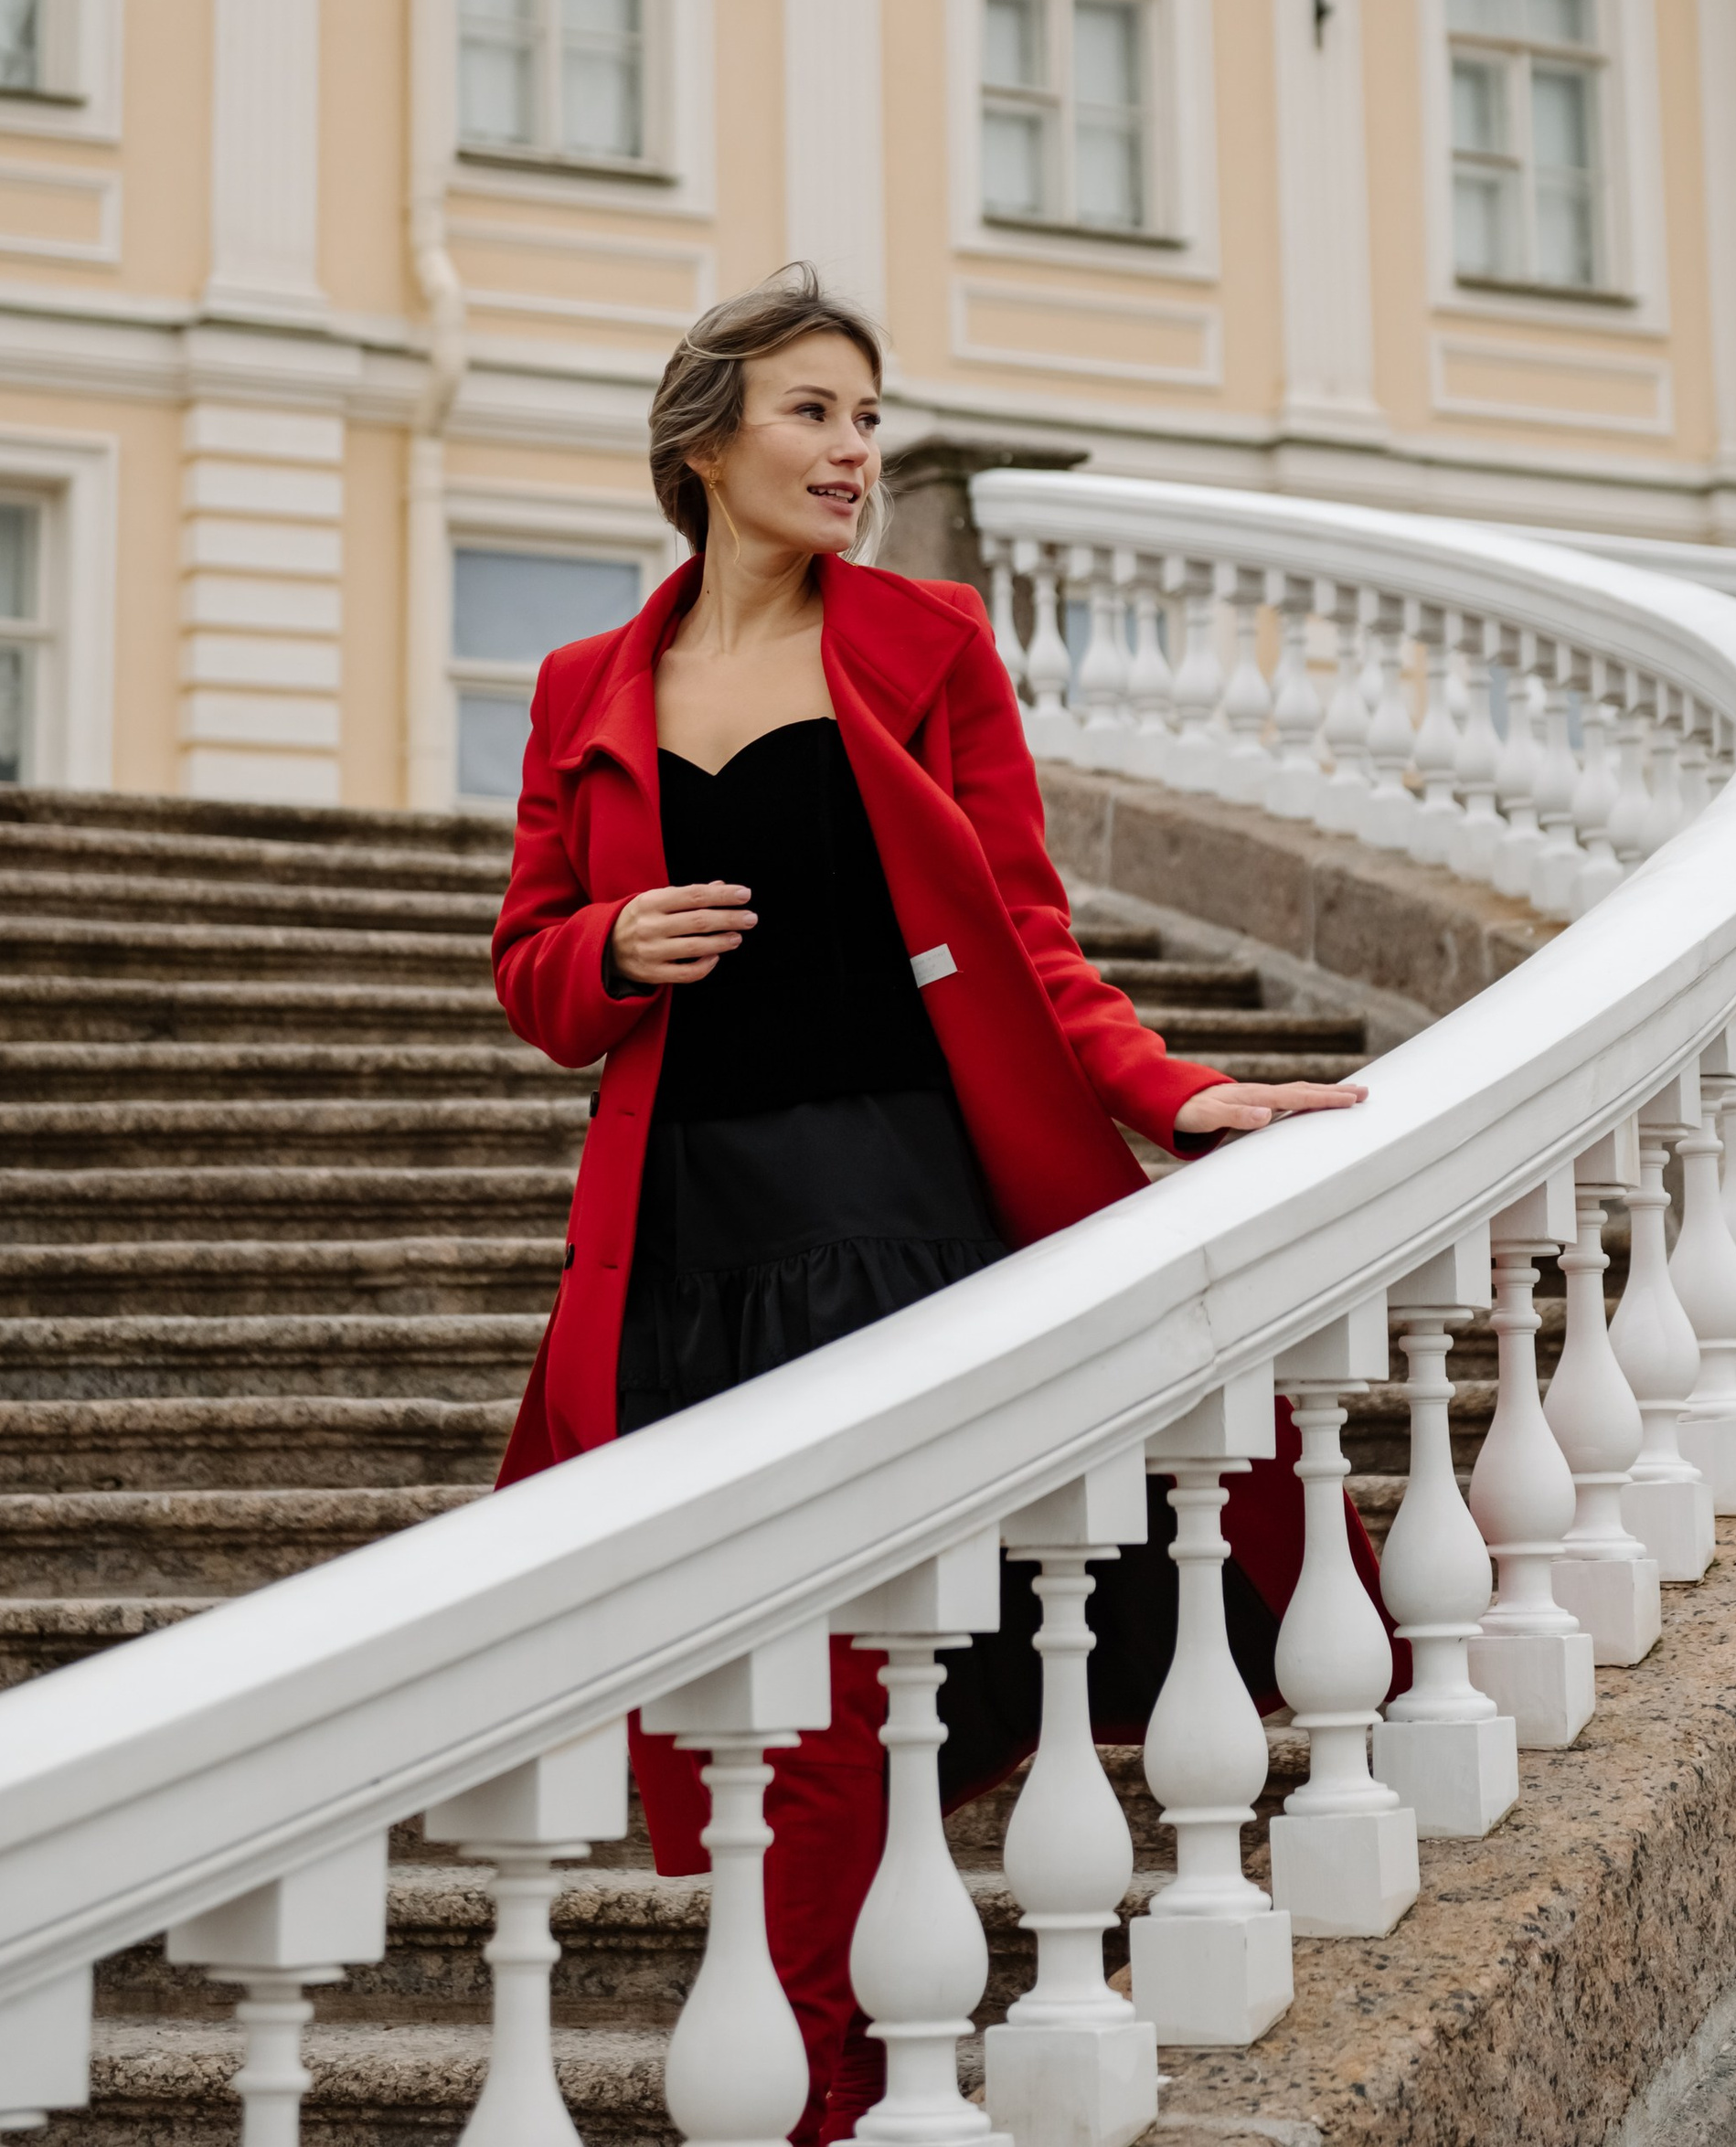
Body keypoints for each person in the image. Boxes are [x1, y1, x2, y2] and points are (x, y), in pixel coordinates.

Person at [491, 269, 1369, 2144]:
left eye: (869, 420)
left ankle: (835, 2086)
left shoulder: (929, 641)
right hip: (691, 1245)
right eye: (813, 412)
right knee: (774, 1691)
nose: (853, 452)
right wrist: (606, 948)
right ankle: (832, 2080)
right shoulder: (585, 689)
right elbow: (527, 974)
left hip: (904, 1211)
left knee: (880, 1670)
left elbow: (1027, 938)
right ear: (703, 438)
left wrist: (1176, 1091)